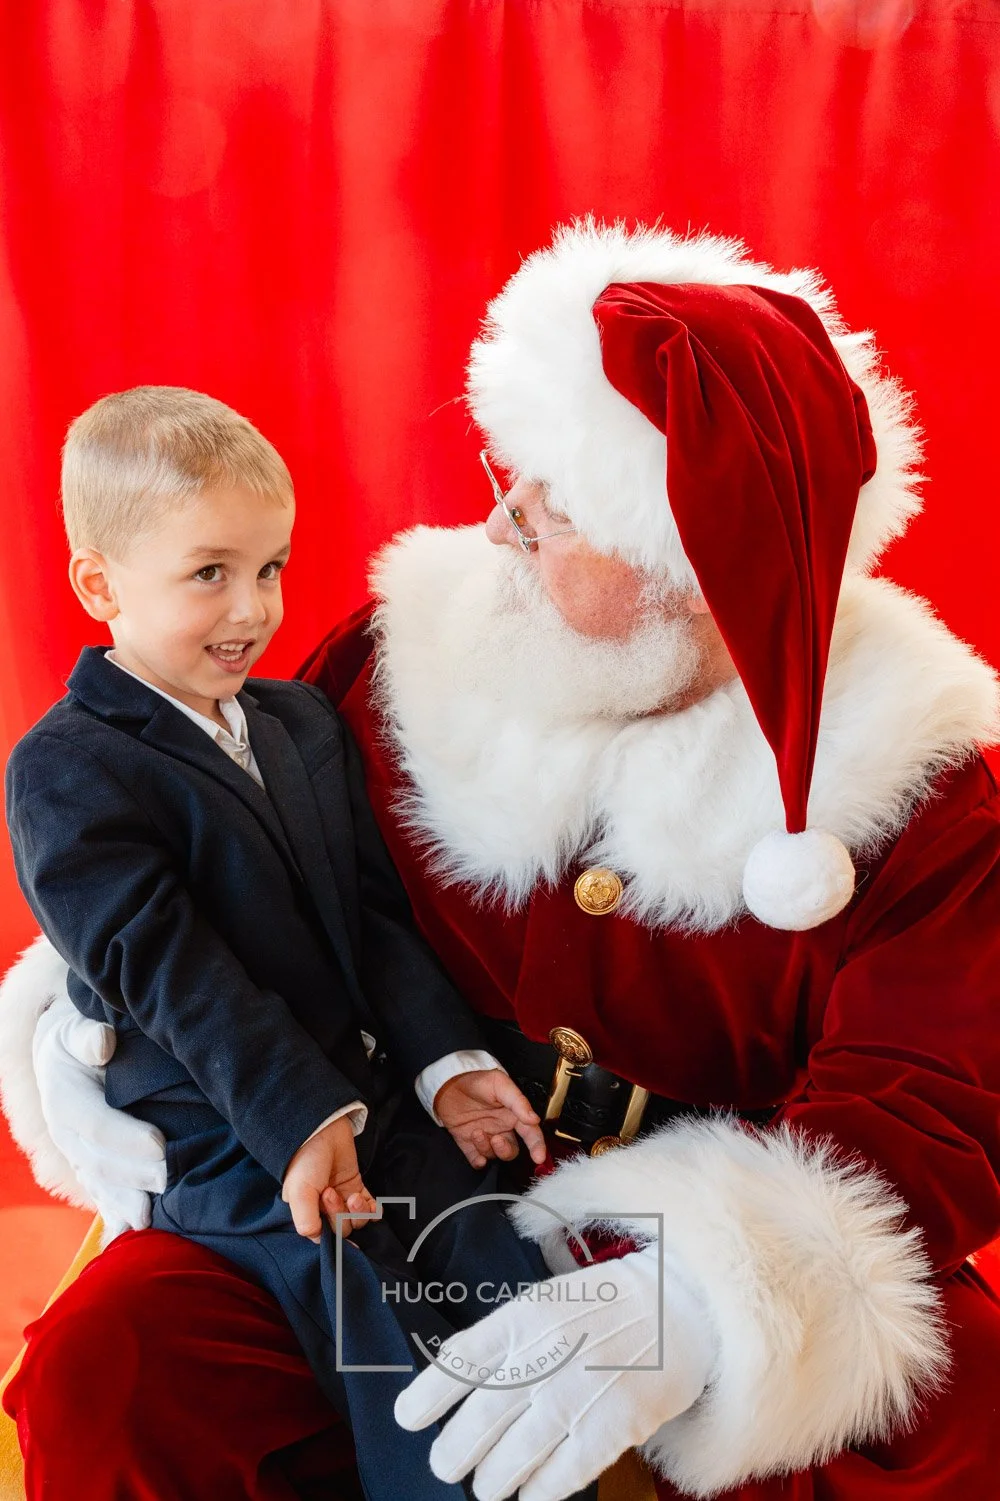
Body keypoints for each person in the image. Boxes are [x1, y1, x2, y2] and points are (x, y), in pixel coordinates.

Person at [2, 221, 1000, 1501]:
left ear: (701, 568)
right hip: (403, 1164)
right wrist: (85, 1015)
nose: (500, 517)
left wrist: (698, 1298)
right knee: (122, 1363)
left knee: (963, 1418)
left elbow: (926, 1104)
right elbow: (247, 875)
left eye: (558, 502)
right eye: (512, 468)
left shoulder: (920, 780)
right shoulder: (403, 651)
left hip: (715, 1195)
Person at [2, 385, 559, 1501]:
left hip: (376, 1098)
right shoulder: (66, 767)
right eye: (209, 572)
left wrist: (449, 1067)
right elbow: (169, 973)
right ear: (100, 583)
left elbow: (372, 923)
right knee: (389, 1336)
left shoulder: (299, 723)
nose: (251, 607)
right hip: (229, 1137)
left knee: (512, 1273)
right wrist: (300, 1121)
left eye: (270, 567)